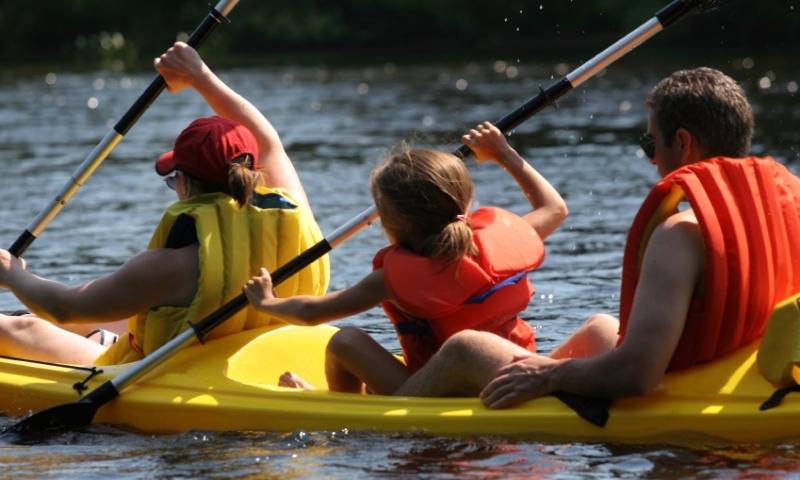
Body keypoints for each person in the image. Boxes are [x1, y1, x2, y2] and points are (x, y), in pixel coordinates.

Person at [389, 67, 800, 405]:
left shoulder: (681, 235)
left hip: (663, 394)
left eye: (650, 143)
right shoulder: (787, 211)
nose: (653, 157)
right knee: (603, 326)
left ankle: (387, 410)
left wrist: (550, 374)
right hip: (735, 375)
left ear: (682, 142)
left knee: (467, 348)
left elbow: (636, 375)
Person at [0, 42, 329, 365]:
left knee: (22, 326)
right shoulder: (293, 211)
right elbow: (269, 144)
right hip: (270, 357)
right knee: (109, 317)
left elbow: (63, 307)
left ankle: (98, 343)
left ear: (184, 182)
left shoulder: (168, 267)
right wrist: (200, 76)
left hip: (163, 370)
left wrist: (14, 275)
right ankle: (100, 334)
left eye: (172, 180)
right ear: (251, 170)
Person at [242, 121, 568, 394]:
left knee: (345, 342)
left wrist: (266, 302)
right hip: (516, 367)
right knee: (600, 329)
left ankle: (341, 411)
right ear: (462, 200)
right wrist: (504, 155)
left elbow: (312, 312)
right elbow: (554, 208)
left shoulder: (391, 278)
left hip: (438, 391)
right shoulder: (500, 239)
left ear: (393, 223)